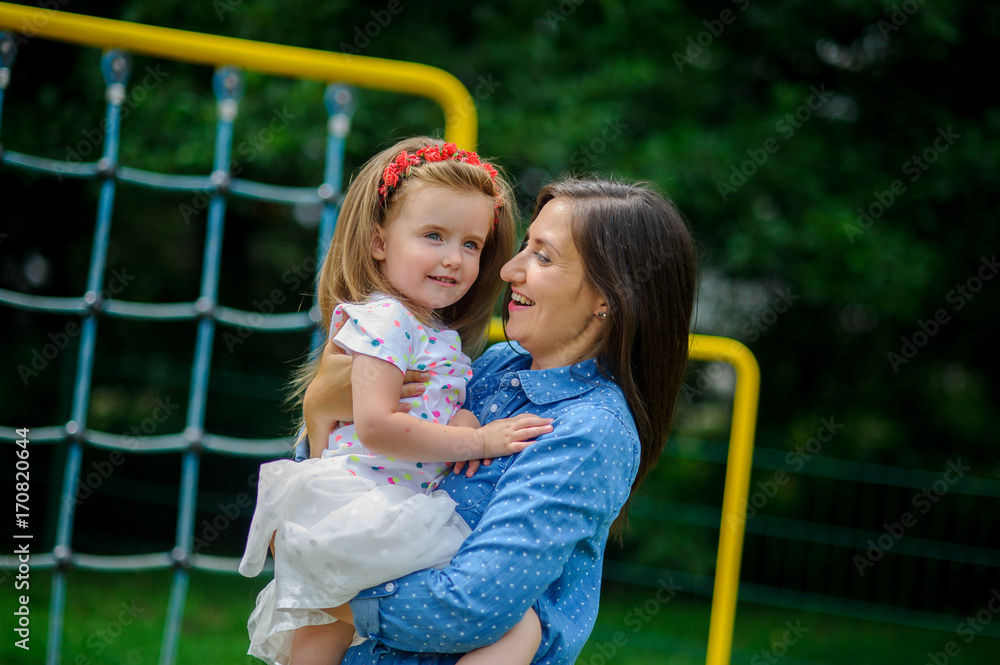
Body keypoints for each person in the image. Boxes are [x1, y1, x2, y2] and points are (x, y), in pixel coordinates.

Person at [304, 178, 698, 664]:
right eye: (523, 248)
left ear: (607, 298)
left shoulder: (589, 431)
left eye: (543, 256)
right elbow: (369, 464)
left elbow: (468, 608)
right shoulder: (495, 366)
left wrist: (322, 583)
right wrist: (318, 409)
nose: (509, 269)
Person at [239, 137, 552, 665]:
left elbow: (420, 411)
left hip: (380, 501)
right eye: (434, 236)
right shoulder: (387, 321)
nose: (454, 259)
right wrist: (476, 438)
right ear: (379, 242)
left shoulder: (429, 329)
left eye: (471, 244)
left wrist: (461, 415)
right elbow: (379, 426)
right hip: (367, 505)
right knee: (515, 623)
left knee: (321, 635)